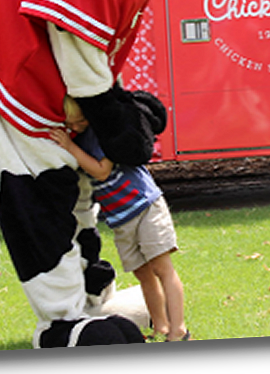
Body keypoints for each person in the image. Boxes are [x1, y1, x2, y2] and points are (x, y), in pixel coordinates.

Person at [50, 96, 191, 342]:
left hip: (145, 206)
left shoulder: (105, 132)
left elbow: (102, 170)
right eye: (70, 123)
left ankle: (178, 329)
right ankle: (160, 326)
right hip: (120, 219)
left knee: (162, 268)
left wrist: (70, 147)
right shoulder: (79, 138)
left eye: (80, 120)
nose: (76, 127)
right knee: (143, 275)